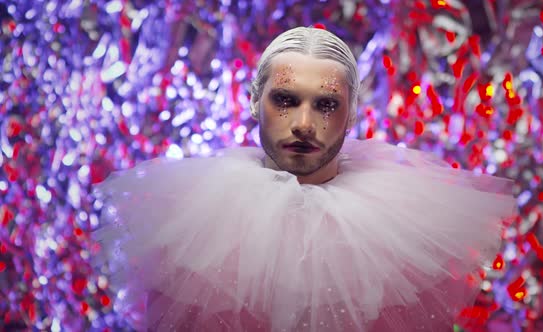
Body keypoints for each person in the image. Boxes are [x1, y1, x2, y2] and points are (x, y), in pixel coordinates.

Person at [92, 27, 517, 331]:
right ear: (254, 101)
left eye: (327, 104)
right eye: (285, 99)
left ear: (352, 115)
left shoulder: (409, 239)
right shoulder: (190, 225)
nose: (304, 124)